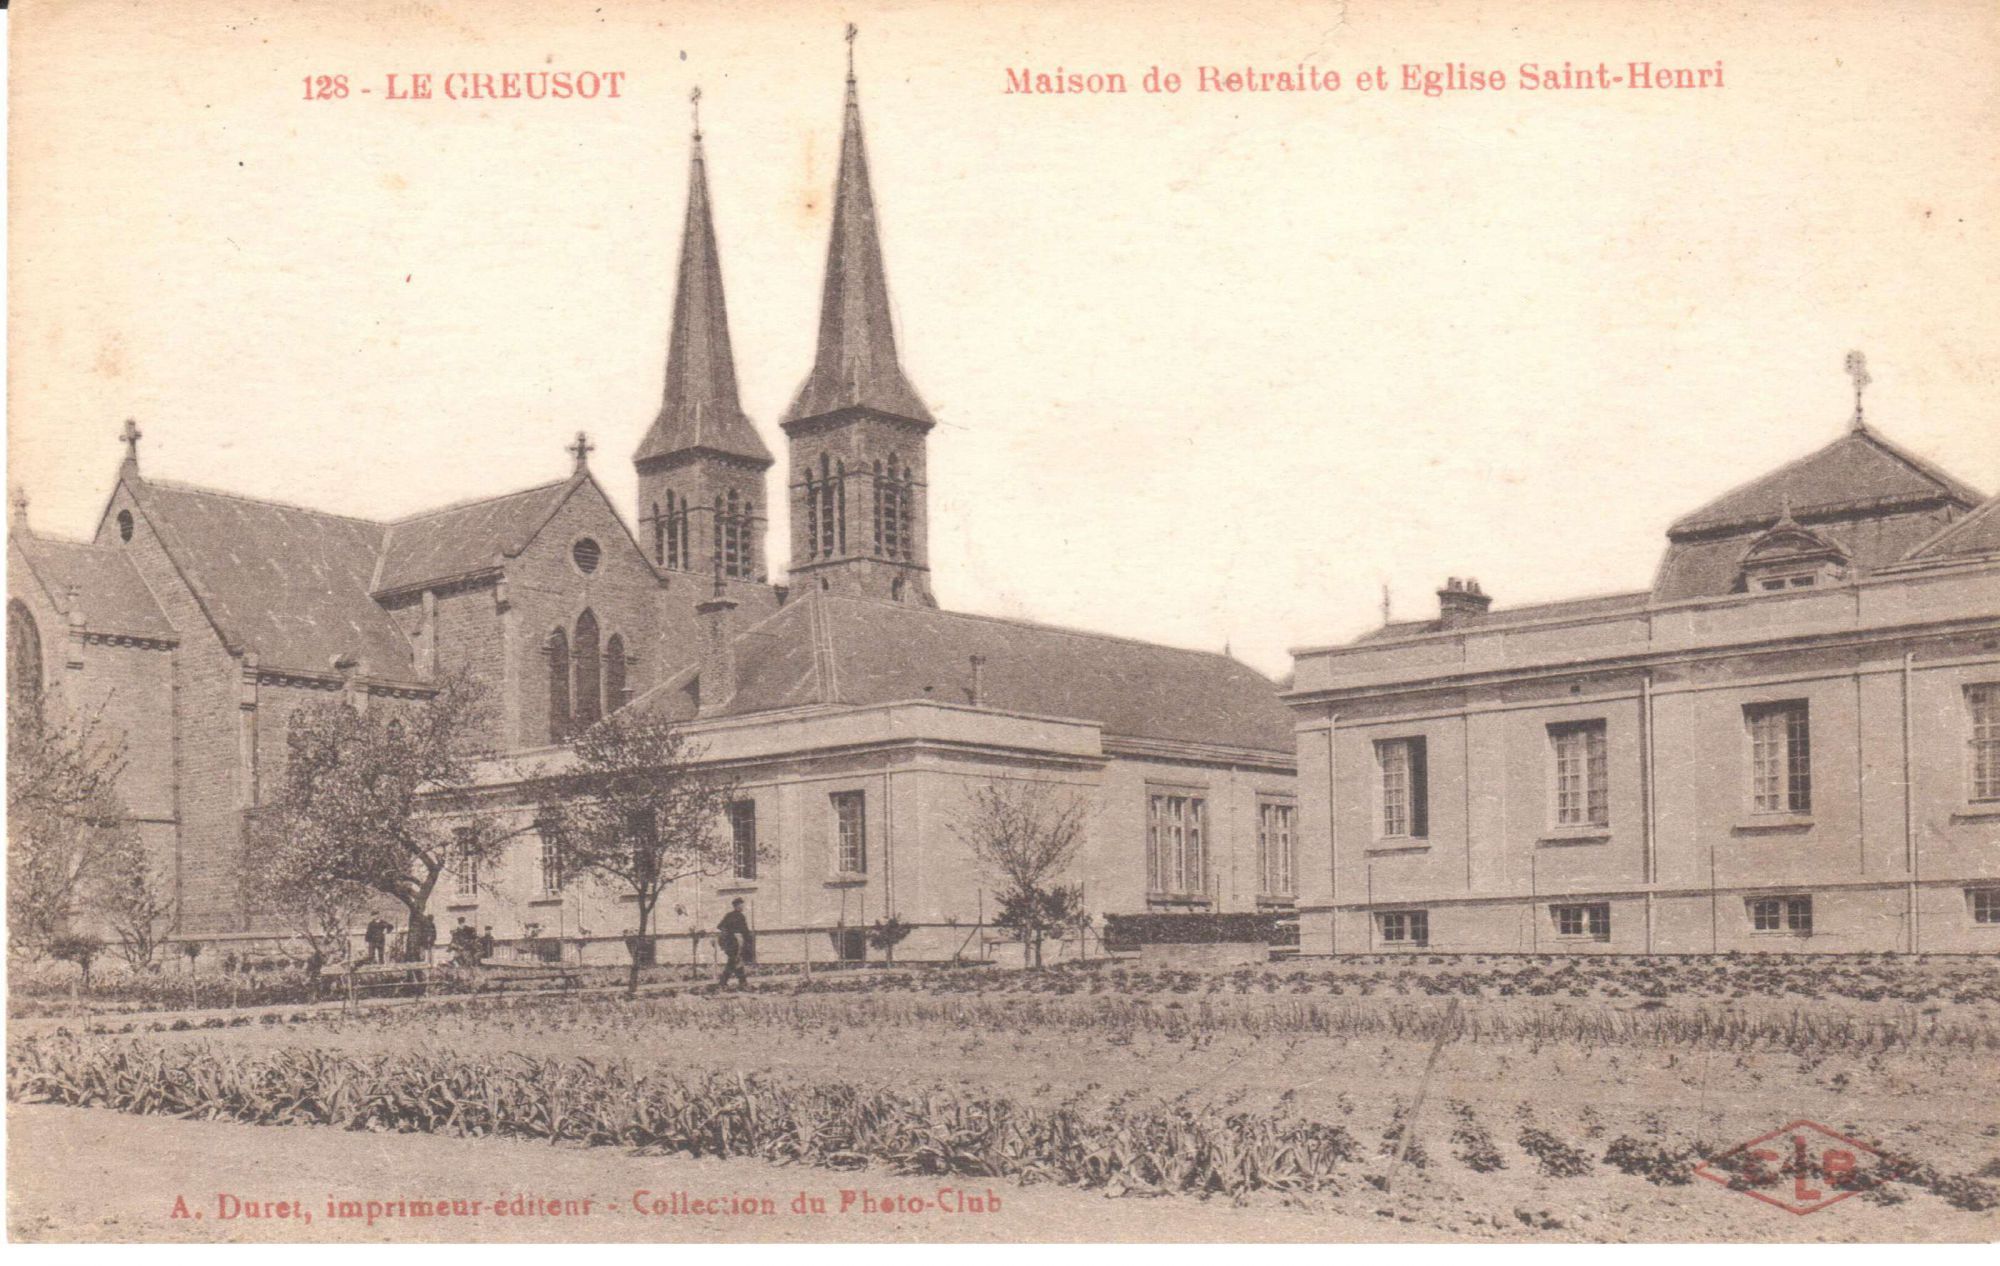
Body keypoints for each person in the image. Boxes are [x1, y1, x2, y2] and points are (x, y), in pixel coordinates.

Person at [716, 898, 753, 988]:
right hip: (736, 941)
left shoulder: (729, 915)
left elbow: (720, 926)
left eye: (743, 905)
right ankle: (724, 982)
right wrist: (749, 939)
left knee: (736, 960)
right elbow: (745, 931)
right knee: (734, 961)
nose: (742, 906)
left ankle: (741, 981)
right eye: (741, 905)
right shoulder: (739, 916)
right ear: (736, 905)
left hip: (731, 941)